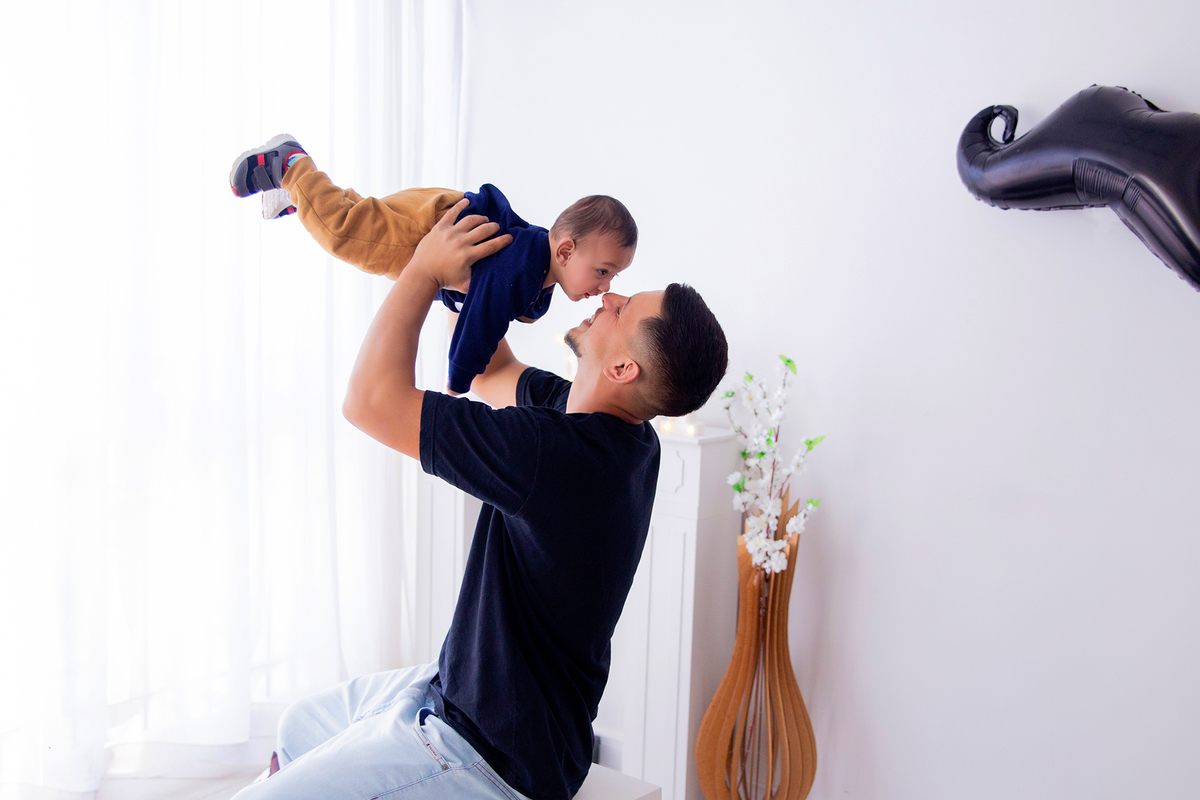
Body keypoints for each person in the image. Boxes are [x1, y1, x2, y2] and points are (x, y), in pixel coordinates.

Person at [232, 200, 728, 800]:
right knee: (298, 727)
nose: (605, 298)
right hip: (466, 692)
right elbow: (492, 372)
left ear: (622, 366)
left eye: (621, 307)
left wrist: (422, 271)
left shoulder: (552, 455)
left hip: (489, 753)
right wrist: (484, 277)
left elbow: (368, 401)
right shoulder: (622, 436)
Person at [229, 134, 637, 394]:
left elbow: (486, 301)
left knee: (365, 221)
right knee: (348, 237)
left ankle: (302, 196)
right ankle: (292, 167)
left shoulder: (536, 275)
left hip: (441, 213)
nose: (605, 288)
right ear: (565, 251)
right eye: (603, 271)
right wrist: (458, 378)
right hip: (433, 228)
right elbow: (482, 320)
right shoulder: (525, 268)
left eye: (614, 275)